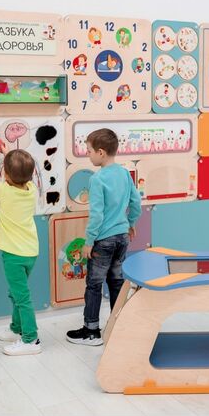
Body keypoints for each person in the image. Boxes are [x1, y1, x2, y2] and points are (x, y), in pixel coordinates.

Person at [66, 128, 141, 345]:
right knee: (117, 282)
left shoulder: (97, 179)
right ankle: (118, 327)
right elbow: (136, 202)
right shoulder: (124, 174)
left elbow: (97, 215)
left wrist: (89, 241)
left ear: (101, 152)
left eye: (89, 151)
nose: (87, 154)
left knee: (94, 284)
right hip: (122, 238)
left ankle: (91, 331)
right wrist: (131, 223)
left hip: (103, 240)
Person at [0, 142, 41, 356]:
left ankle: (31, 339)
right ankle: (16, 328)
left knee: (22, 297)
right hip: (30, 251)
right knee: (16, 293)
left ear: (5, 174)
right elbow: (19, 173)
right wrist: (7, 153)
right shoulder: (31, 189)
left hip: (14, 255)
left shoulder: (3, 191)